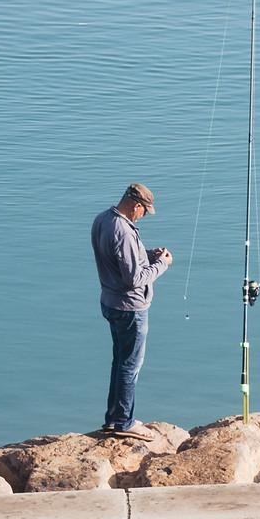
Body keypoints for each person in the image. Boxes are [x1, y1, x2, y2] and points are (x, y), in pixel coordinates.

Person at [90, 182, 172, 440]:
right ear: (136, 205)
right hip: (130, 308)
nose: (144, 216)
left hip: (110, 301)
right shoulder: (124, 231)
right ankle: (125, 422)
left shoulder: (102, 220)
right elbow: (133, 279)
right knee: (130, 366)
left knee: (119, 362)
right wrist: (162, 264)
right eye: (144, 211)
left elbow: (119, 259)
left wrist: (148, 254)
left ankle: (113, 418)